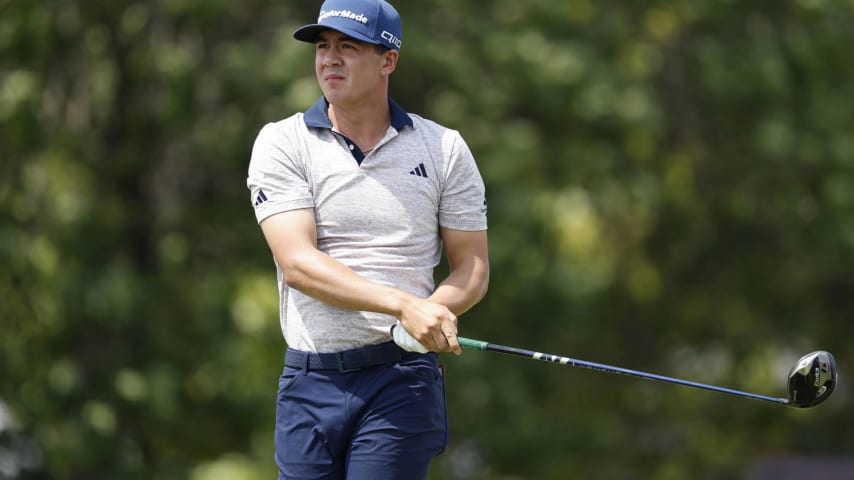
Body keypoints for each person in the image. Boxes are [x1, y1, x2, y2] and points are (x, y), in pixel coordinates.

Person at [246, 0, 489, 477]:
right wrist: (403, 305)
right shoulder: (282, 142)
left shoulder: (443, 149)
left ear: (388, 60)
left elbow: (472, 268)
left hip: (400, 379)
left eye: (348, 46)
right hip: (309, 378)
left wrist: (433, 311)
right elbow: (297, 263)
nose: (329, 58)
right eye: (323, 46)